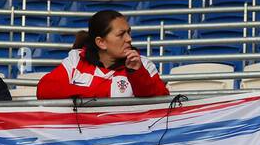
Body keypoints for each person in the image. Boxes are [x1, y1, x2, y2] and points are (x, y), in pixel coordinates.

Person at [36, 8, 169, 99]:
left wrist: (137, 74)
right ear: (101, 43)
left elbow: (162, 100)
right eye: (121, 34)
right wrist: (105, 94)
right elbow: (44, 89)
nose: (129, 39)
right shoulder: (76, 59)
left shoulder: (143, 64)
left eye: (129, 32)